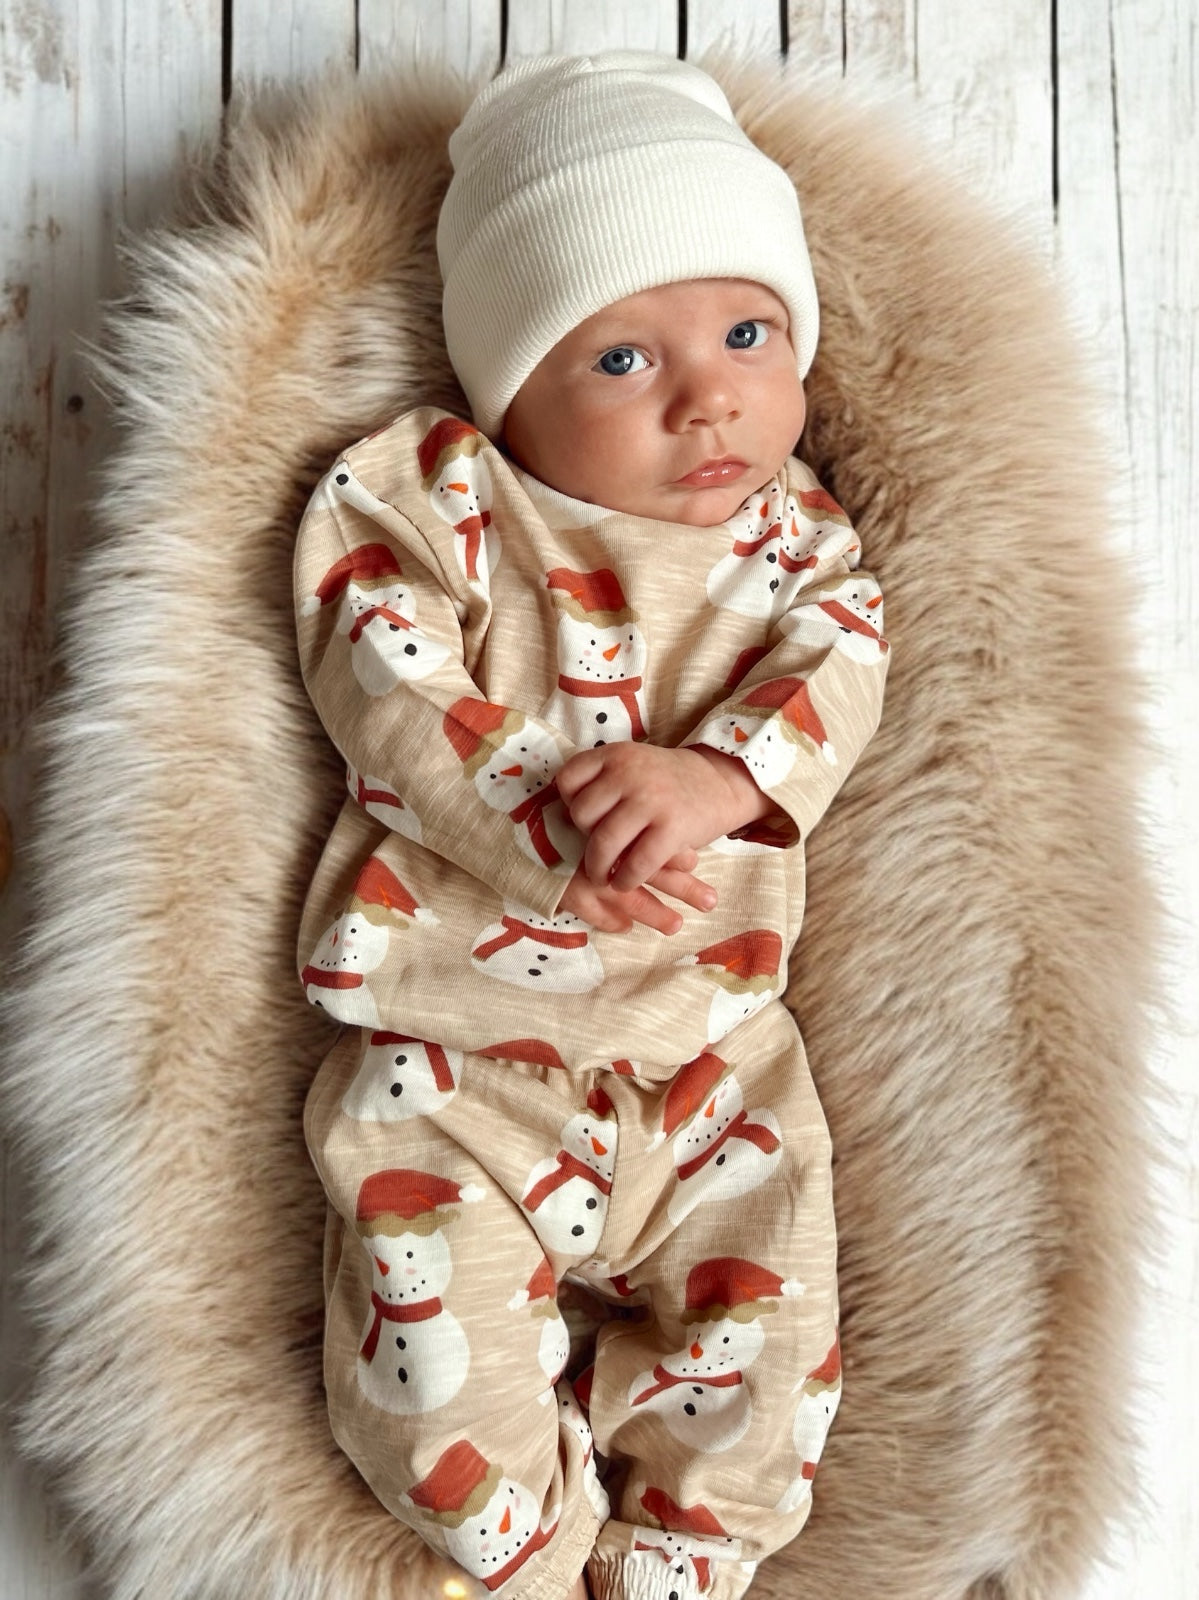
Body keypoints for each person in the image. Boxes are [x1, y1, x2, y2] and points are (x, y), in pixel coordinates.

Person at [294, 51, 889, 1600]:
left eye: (750, 334)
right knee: (433, 1377)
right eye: (622, 360)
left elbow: (847, 666)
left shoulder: (797, 541)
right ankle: (538, 1559)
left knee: (771, 1339)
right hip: (461, 1069)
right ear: (509, 383)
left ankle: (687, 1565)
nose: (710, 395)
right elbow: (383, 676)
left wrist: (722, 780)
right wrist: (538, 819)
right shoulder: (433, 496)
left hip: (717, 1069)